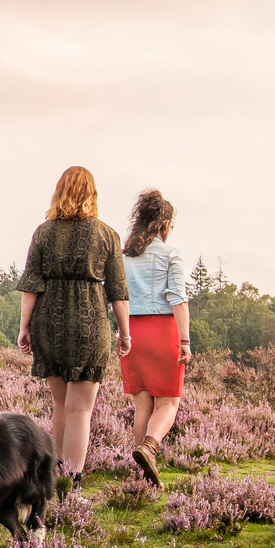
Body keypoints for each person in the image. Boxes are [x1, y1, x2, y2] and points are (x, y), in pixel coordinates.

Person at [16, 166, 130, 486]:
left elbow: (31, 285)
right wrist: (124, 332)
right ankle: (72, 481)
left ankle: (55, 479)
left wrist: (24, 328)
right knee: (81, 410)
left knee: (61, 404)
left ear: (59, 191)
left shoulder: (44, 232)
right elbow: (118, 292)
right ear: (92, 193)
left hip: (48, 322)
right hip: (90, 323)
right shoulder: (107, 235)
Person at [120, 189, 189, 487]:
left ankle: (143, 477)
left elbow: (118, 297)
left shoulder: (125, 257)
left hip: (132, 331)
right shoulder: (171, 255)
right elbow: (178, 299)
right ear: (165, 224)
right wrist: (185, 340)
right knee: (168, 404)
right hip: (163, 330)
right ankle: (149, 447)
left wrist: (122, 333)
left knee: (143, 405)